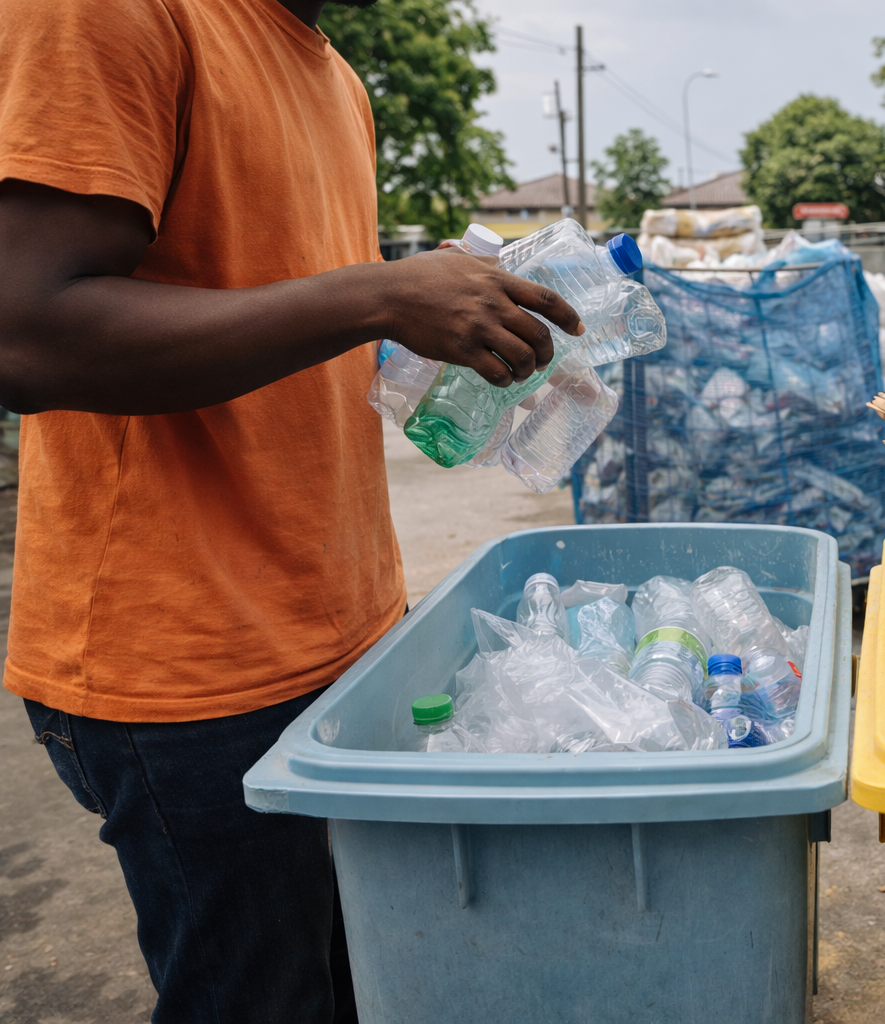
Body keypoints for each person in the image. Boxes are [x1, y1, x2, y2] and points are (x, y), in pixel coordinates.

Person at [0, 0, 582, 1020]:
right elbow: (27, 333)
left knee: (365, 988)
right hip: (189, 666)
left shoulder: (334, 76)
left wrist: (441, 338)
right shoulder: (114, 12)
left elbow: (285, 313)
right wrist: (379, 296)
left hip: (347, 635)